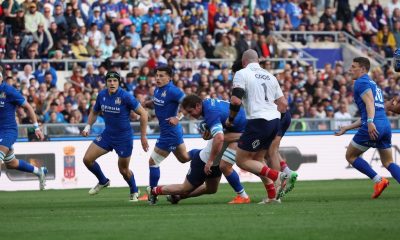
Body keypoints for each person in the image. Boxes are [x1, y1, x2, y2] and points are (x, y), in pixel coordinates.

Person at [226, 49, 289, 203]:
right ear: (258, 60)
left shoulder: (242, 73)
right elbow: (283, 104)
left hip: (258, 120)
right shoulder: (270, 76)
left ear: (243, 62)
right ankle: (272, 197)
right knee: (258, 159)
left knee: (242, 160)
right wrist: (274, 121)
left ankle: (278, 176)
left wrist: (231, 120)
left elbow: (235, 100)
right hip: (274, 121)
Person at [335, 57, 400, 198]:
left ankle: (379, 180)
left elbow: (370, 103)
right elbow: (374, 109)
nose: (350, 69)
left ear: (363, 69)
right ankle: (381, 180)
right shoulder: (373, 84)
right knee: (388, 162)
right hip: (385, 125)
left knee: (350, 156)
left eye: (353, 67)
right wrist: (347, 127)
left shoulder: (361, 82)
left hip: (374, 124)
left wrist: (370, 122)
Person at [81, 71, 149, 202]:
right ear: (106, 82)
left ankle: (134, 190)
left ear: (118, 82)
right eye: (109, 81)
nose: (112, 83)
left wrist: (143, 136)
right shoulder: (102, 95)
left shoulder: (125, 96)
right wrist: (87, 126)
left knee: (123, 170)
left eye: (115, 81)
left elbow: (144, 114)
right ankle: (103, 181)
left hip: (124, 138)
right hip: (107, 135)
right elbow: (94, 112)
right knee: (87, 159)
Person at [179, 94, 251, 204]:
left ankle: (244, 196)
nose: (190, 115)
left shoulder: (210, 112)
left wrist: (210, 161)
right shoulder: (207, 104)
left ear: (198, 106)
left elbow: (219, 137)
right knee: (258, 162)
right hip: (241, 127)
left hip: (244, 132)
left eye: (190, 111)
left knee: (226, 166)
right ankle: (277, 181)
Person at [140, 66, 191, 205]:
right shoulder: (158, 89)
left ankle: (153, 194)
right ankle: (204, 154)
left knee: (153, 162)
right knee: (184, 158)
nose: (158, 78)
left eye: (161, 76)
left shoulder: (173, 91)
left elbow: (189, 103)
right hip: (171, 132)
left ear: (170, 78)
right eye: (156, 75)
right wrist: (148, 103)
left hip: (170, 133)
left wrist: (178, 117)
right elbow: (158, 102)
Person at [0, 73, 47, 190]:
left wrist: (36, 127)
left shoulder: (9, 91)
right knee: (11, 164)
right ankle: (39, 171)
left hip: (8, 131)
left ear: (1, 78)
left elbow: (28, 107)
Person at [265, 111, 298, 195]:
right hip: (283, 114)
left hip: (274, 115)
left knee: (270, 152)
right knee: (273, 150)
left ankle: (278, 185)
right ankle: (287, 172)